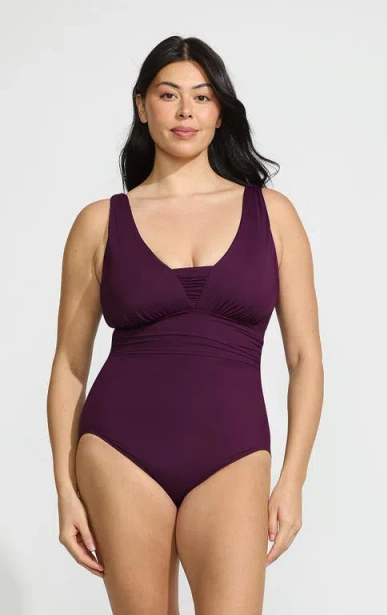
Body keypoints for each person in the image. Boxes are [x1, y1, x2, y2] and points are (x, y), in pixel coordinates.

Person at [47, 35, 324, 615]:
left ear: (220, 111)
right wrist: (65, 491)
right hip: (119, 450)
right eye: (168, 94)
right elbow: (70, 365)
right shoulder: (99, 223)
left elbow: (304, 359)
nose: (184, 112)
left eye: (201, 97)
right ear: (142, 105)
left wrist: (293, 479)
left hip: (234, 452)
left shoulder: (273, 215)